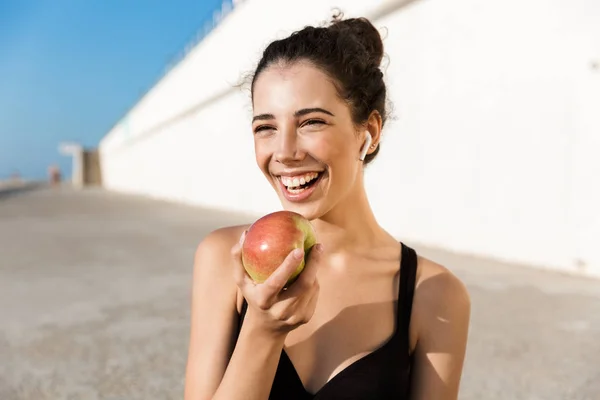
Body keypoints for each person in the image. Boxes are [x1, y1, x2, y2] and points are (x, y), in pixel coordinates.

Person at [184, 13, 471, 400]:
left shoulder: (435, 295)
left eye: (311, 122)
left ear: (368, 132)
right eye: (265, 127)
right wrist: (263, 330)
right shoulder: (224, 259)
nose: (284, 152)